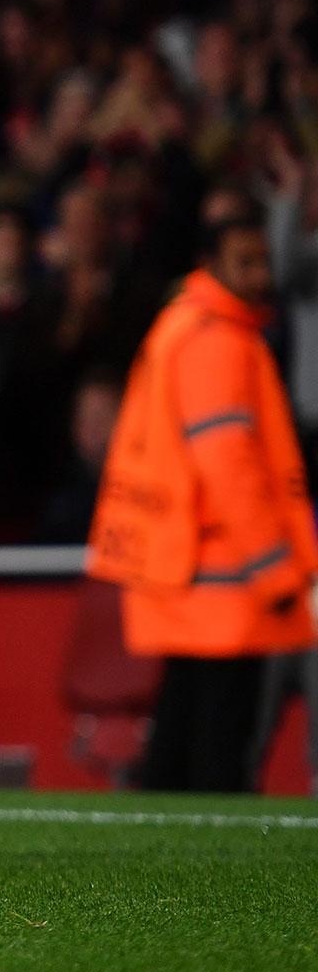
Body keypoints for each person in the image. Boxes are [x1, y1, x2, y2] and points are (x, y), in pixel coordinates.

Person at [87, 200, 318, 792]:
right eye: (245, 263)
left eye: (263, 261)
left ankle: (154, 846)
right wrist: (278, 572)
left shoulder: (188, 329)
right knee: (219, 753)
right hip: (224, 576)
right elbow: (230, 468)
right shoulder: (217, 340)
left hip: (189, 567)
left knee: (180, 738)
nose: (260, 276)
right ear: (210, 264)